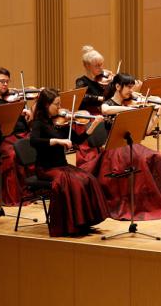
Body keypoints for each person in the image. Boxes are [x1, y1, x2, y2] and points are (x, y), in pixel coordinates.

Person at [90, 73, 161, 220]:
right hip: (114, 149)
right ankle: (142, 204)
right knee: (140, 160)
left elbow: (145, 131)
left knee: (157, 156)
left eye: (132, 88)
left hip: (130, 145)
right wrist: (133, 110)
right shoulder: (109, 104)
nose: (131, 91)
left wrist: (158, 114)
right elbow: (105, 110)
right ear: (117, 86)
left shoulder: (131, 104)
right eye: (128, 87)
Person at [30, 88, 109, 237]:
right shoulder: (39, 123)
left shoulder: (62, 122)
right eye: (57, 105)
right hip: (46, 167)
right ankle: (71, 225)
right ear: (47, 105)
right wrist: (57, 141)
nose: (60, 109)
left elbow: (77, 140)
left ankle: (85, 222)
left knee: (88, 179)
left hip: (62, 165)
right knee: (72, 183)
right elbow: (33, 141)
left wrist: (93, 125)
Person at [0, 67, 32, 206]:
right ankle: (14, 193)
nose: (6, 85)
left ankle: (34, 188)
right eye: (2, 81)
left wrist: (27, 112)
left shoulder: (12, 97)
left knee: (36, 147)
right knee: (14, 154)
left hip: (19, 135)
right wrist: (16, 109)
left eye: (7, 81)